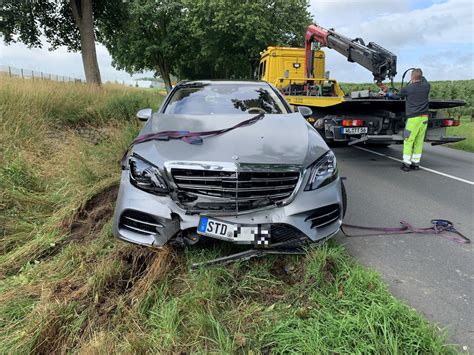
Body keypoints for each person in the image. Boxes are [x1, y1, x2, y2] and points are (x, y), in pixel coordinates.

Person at [387, 68, 431, 172]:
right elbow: (424, 79)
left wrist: (388, 94)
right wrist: (419, 75)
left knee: (408, 140)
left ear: (412, 77)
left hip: (413, 119)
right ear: (421, 77)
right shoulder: (426, 87)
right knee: (419, 141)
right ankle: (416, 163)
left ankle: (406, 164)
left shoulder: (408, 88)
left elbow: (396, 96)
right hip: (424, 118)